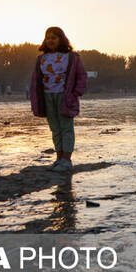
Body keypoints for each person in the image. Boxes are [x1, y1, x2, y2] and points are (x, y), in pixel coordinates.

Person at [30, 27, 87, 172]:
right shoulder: (41, 59)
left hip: (65, 95)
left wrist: (76, 92)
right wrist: (35, 97)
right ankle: (58, 159)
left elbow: (81, 75)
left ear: (61, 39)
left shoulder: (72, 57)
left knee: (66, 127)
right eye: (48, 37)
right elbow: (36, 80)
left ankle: (66, 160)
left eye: (53, 37)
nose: (50, 40)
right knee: (55, 128)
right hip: (47, 96)